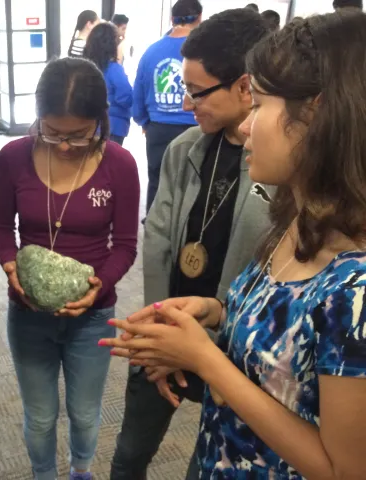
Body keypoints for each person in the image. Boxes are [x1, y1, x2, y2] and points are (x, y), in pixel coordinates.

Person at [103, 11, 366, 479]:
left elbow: (345, 469)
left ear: (317, 116)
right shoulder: (297, 222)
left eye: (260, 104)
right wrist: (215, 310)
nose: (246, 126)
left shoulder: (356, 285)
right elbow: (285, 337)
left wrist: (206, 359)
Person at [110, 9, 270, 480]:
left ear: (244, 87)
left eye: (197, 92)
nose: (185, 102)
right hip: (167, 330)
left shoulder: (279, 168)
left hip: (233, 352)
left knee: (210, 463)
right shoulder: (185, 149)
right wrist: (160, 334)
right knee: (128, 457)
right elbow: (158, 241)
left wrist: (208, 350)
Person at [0, 57, 139, 480]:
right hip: (28, 312)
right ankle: (43, 474)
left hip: (93, 315)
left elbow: (125, 246)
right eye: (52, 131)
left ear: (100, 120)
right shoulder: (13, 157)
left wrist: (98, 287)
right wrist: (10, 265)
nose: (65, 146)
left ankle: (80, 470)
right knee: (39, 416)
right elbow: (0, 230)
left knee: (85, 412)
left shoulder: (119, 164)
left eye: (79, 134)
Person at [133, 0, 201, 215]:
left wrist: (145, 122)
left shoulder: (151, 52)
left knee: (158, 183)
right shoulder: (202, 52)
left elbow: (138, 95)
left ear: (172, 19)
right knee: (193, 185)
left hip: (158, 129)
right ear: (200, 18)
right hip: (196, 128)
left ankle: (154, 224)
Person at [84, 22, 133, 146]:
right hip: (113, 126)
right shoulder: (114, 69)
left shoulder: (85, 68)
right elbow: (125, 97)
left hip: (88, 125)